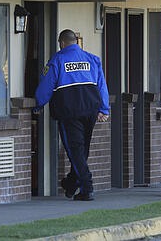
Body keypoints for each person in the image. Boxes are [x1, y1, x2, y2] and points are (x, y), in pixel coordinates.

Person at [34, 29, 110, 201]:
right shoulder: (92, 59)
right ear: (76, 41)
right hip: (90, 111)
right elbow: (102, 86)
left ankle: (87, 187)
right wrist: (104, 109)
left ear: (61, 43)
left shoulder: (57, 60)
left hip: (69, 113)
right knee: (82, 150)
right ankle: (71, 183)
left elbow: (46, 86)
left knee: (75, 151)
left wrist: (38, 104)